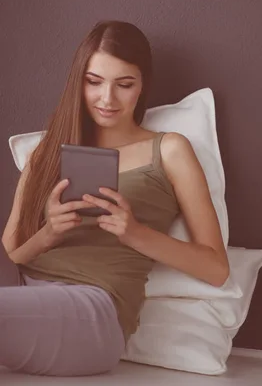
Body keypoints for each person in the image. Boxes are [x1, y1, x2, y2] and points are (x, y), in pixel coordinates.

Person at [1, 20, 229, 377]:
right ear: (78, 83)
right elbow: (9, 259)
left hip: (91, 309)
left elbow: (216, 269)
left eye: (124, 84)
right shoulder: (45, 152)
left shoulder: (169, 150)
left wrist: (135, 233)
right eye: (94, 82)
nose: (107, 99)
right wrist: (49, 234)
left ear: (142, 87)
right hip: (19, 287)